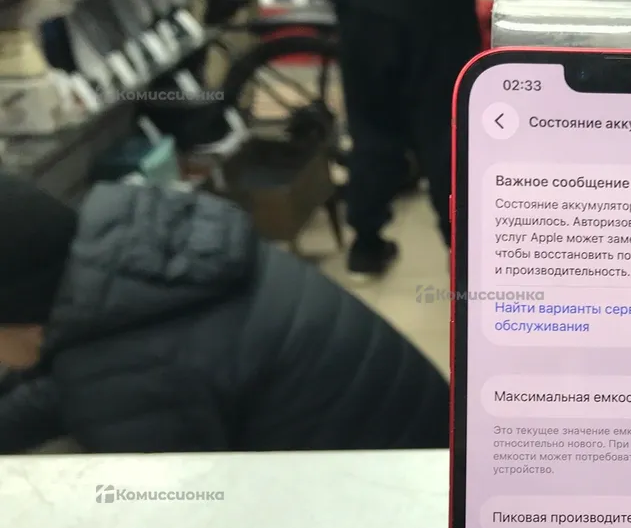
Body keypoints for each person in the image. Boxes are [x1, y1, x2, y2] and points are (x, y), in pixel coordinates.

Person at [0, 174, 450, 454]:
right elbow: (74, 378)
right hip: (433, 446)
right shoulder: (131, 263)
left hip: (419, 517)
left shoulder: (129, 371)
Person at [333, 0, 482, 276]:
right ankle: (462, 254)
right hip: (439, 16)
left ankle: (366, 245)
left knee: (372, 132)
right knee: (446, 136)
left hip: (365, 14)